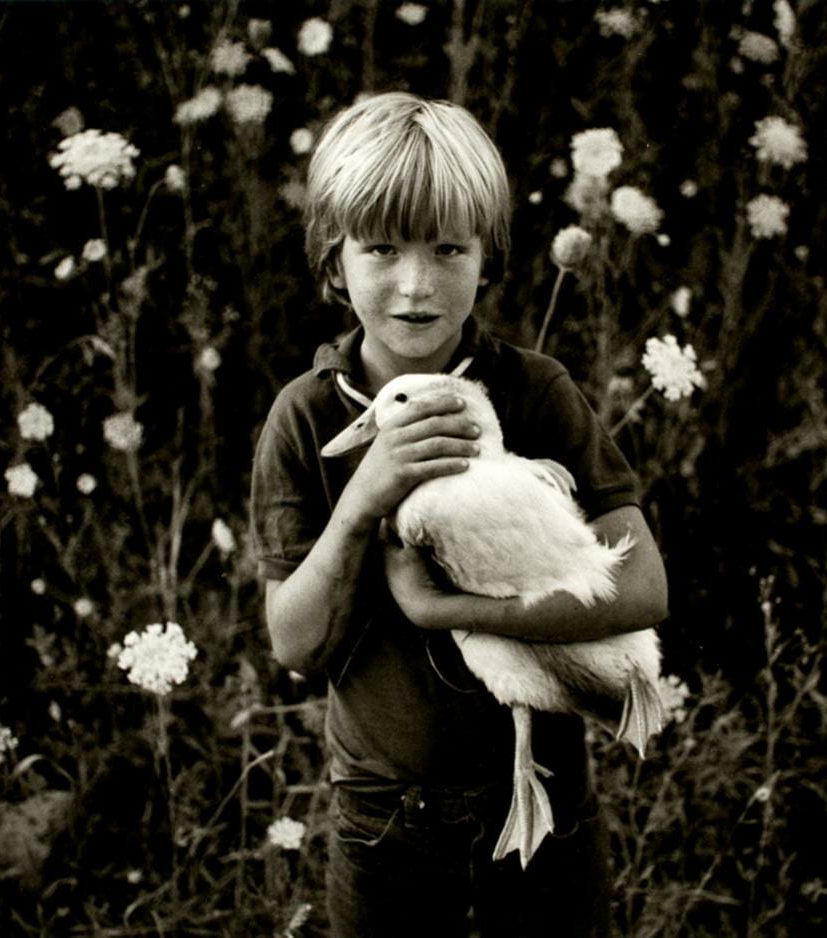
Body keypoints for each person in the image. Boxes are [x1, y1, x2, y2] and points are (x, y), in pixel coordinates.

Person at [250, 91, 668, 937]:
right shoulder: (305, 419)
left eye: (448, 248)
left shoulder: (536, 391)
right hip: (384, 820)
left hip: (549, 793)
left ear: (489, 256)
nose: (416, 284)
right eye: (382, 249)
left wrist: (449, 611)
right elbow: (294, 646)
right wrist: (364, 501)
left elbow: (645, 588)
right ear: (335, 263)